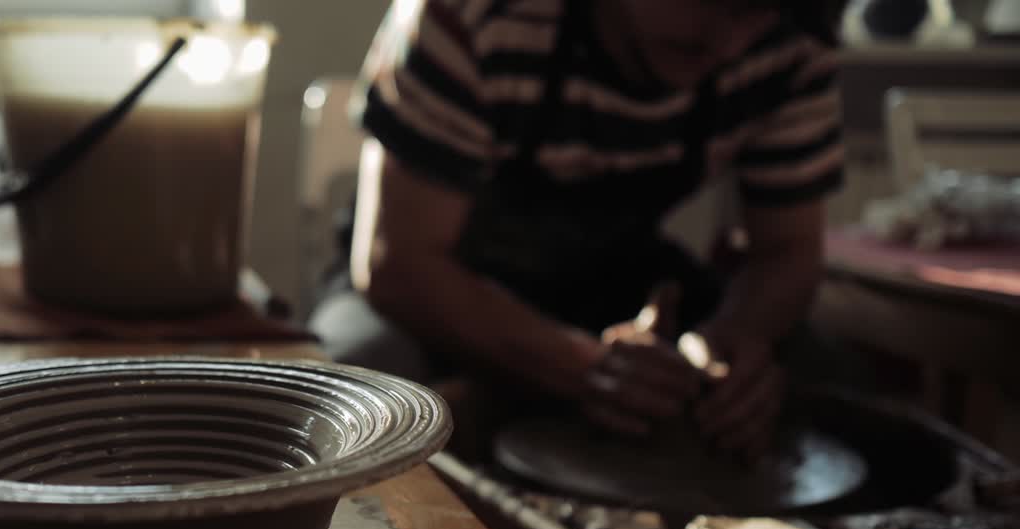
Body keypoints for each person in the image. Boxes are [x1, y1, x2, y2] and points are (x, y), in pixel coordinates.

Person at [309, 0, 848, 458]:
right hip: (428, 282)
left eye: (753, 11)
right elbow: (398, 264)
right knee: (362, 392)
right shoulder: (477, 14)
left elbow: (788, 252)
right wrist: (580, 367)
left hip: (609, 277)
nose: (725, 42)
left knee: (830, 377)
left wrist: (732, 346)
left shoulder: (792, 38)